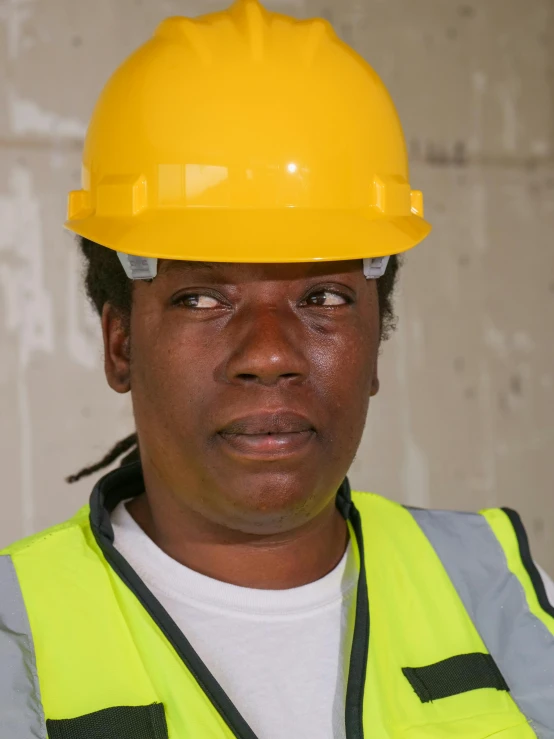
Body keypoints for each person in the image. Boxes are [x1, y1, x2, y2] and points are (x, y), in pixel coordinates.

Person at [2, 1, 554, 737]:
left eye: (322, 296)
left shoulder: (499, 591)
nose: (268, 353)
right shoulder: (19, 634)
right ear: (121, 344)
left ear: (377, 338)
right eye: (201, 297)